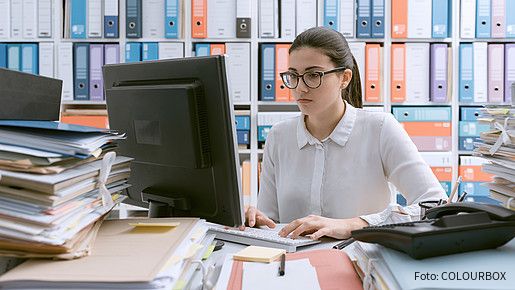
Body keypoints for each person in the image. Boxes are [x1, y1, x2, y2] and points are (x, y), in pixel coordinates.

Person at [242, 26, 447, 240]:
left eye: (313, 75)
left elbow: (435, 205)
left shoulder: (380, 128)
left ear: (344, 78)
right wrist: (255, 220)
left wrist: (354, 225)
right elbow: (271, 223)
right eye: (293, 75)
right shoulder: (278, 136)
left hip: (360, 260)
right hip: (293, 265)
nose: (300, 88)